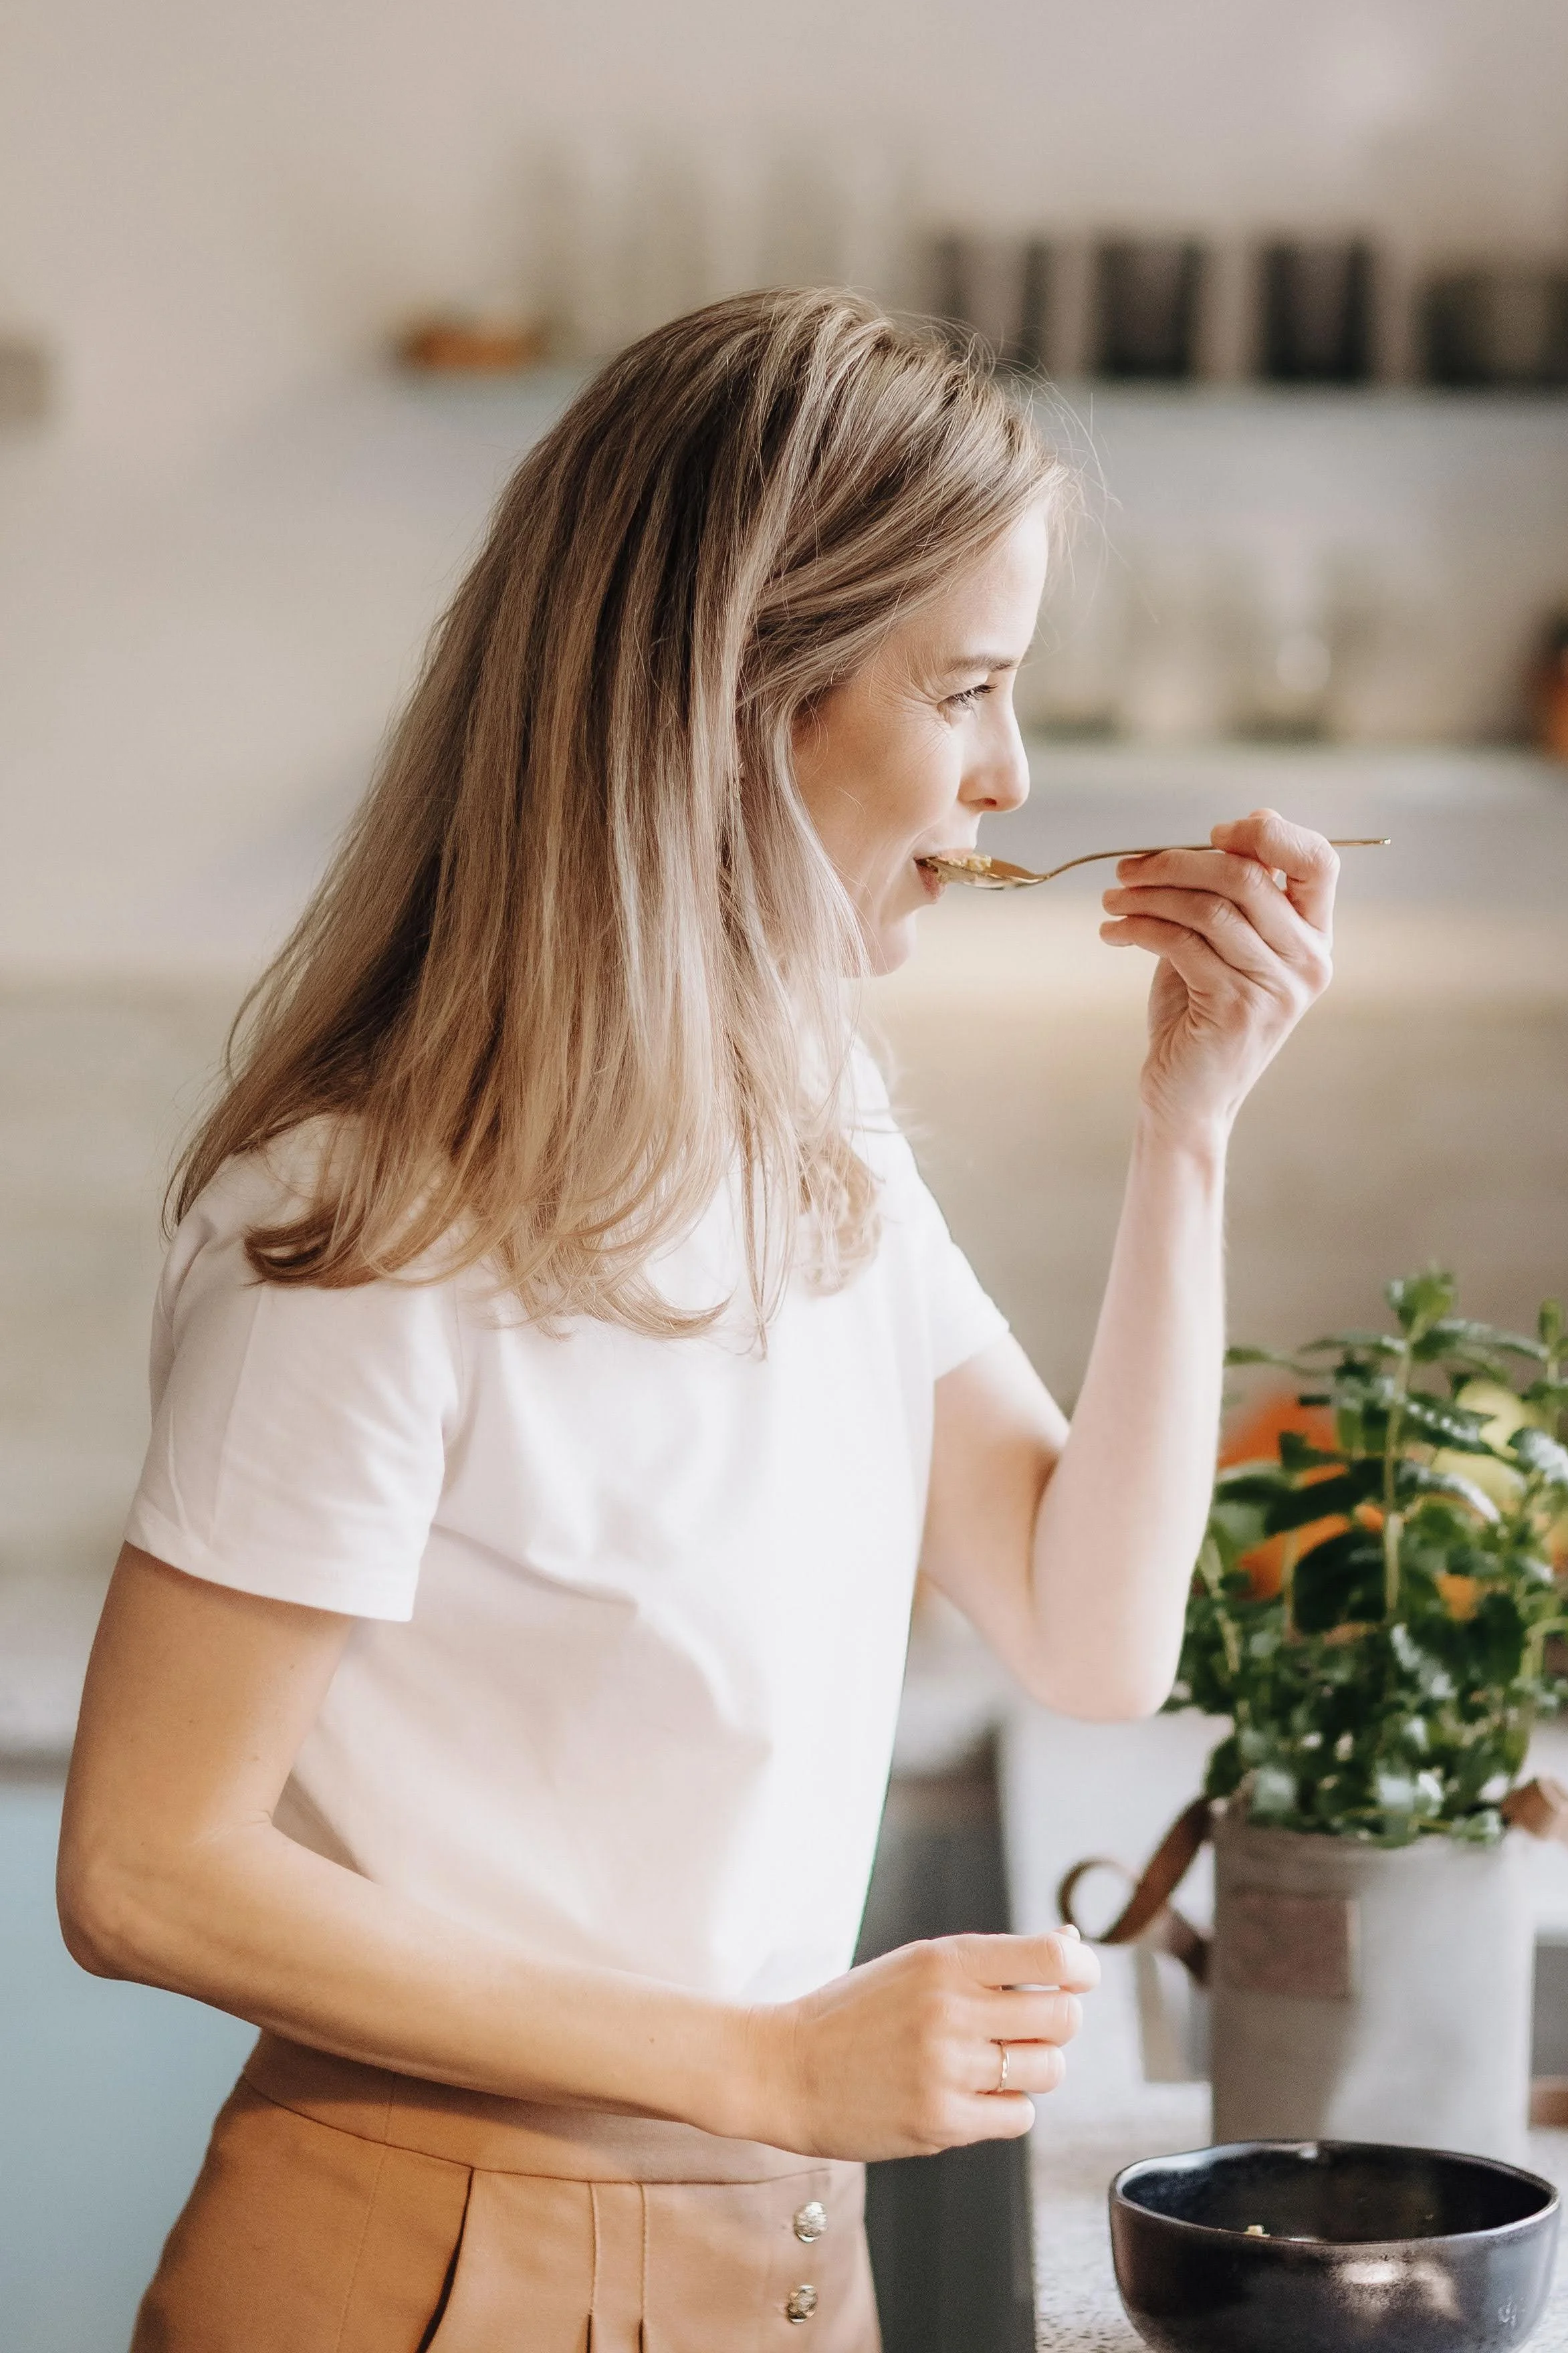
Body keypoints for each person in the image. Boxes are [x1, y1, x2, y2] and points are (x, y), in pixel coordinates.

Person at [57, 290, 1337, 2352]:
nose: (1011, 775)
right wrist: (765, 2063)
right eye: (968, 690)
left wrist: (1188, 1129)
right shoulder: (371, 1211)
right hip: (436, 2261)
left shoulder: (808, 1132)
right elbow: (142, 1868)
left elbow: (1092, 1636)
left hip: (780, 2247)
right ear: (742, 701)